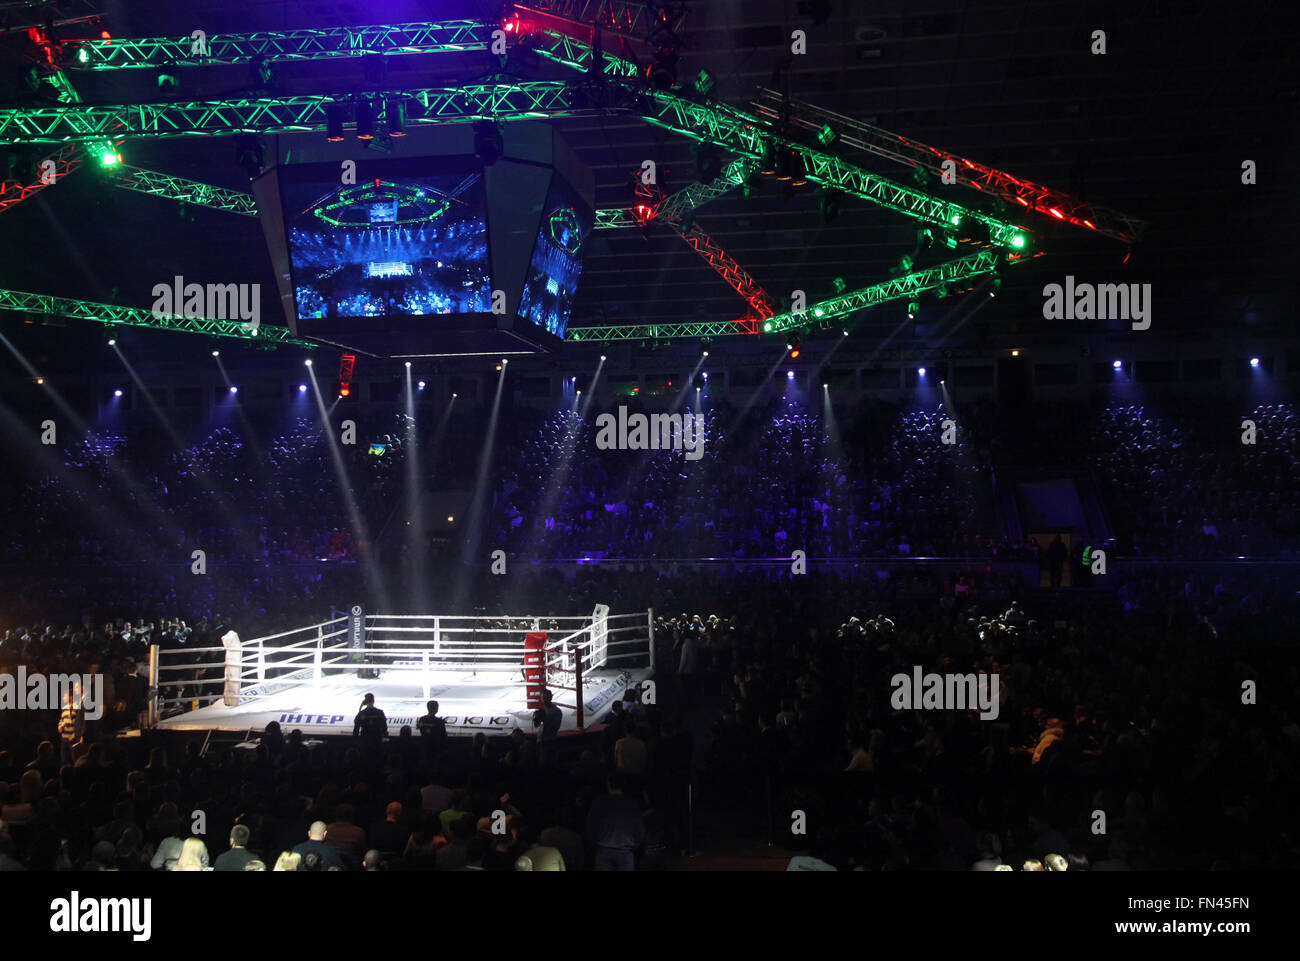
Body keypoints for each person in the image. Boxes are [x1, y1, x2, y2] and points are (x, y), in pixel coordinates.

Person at [532, 689, 562, 767]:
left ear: (550, 698)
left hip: (550, 740)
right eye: (543, 698)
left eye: (546, 697)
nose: (544, 700)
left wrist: (544, 719)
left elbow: (555, 727)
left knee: (549, 763)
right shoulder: (540, 710)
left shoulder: (556, 711)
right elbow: (536, 725)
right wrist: (537, 719)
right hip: (540, 740)